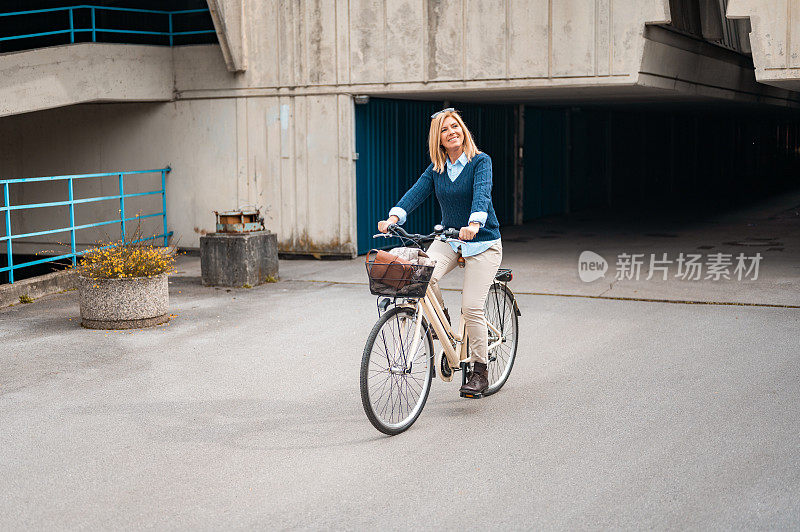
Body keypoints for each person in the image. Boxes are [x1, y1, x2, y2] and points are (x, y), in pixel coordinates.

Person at [377, 108, 502, 396]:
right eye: (445, 130)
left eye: (455, 126)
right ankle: (441, 323)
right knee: (422, 276)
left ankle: (480, 370)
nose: (452, 132)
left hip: (482, 241)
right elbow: (415, 193)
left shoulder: (480, 162)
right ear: (439, 139)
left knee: (472, 307)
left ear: (463, 131)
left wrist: (473, 224)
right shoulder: (437, 169)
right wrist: (393, 219)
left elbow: (482, 194)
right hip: (450, 239)